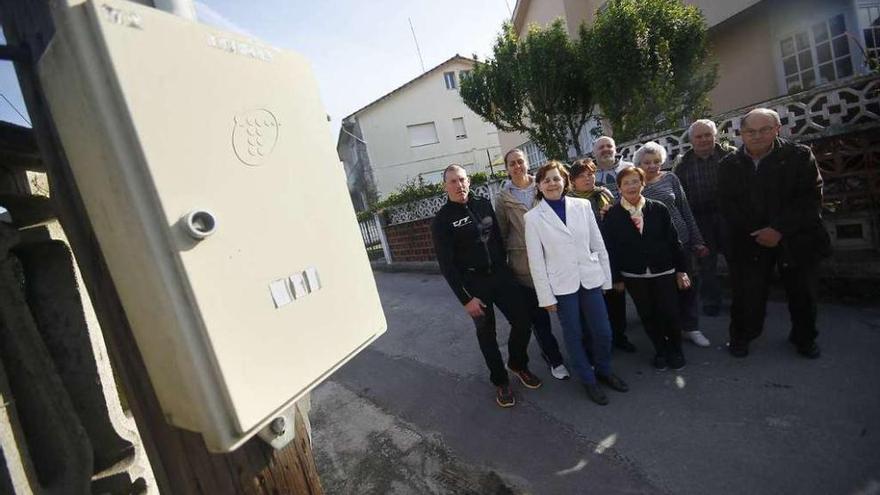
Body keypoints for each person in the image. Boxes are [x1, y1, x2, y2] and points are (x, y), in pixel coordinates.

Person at [718, 108, 831, 359]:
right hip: (750, 240)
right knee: (747, 296)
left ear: (777, 129)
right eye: (750, 131)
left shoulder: (798, 156)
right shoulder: (730, 164)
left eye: (764, 130)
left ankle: (804, 339)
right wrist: (757, 232)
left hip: (796, 237)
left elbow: (810, 199)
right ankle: (741, 337)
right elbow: (727, 205)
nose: (756, 136)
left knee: (803, 293)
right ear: (741, 134)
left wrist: (778, 229)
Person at [431, 164, 543, 408]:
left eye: (461, 180)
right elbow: (447, 266)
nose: (458, 185)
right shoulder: (442, 220)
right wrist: (465, 299)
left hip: (501, 276)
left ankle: (517, 363)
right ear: (445, 186)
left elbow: (497, 238)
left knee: (523, 321)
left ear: (468, 181)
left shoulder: (483, 204)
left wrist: (507, 270)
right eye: (452, 181)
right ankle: (500, 381)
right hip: (474, 284)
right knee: (487, 334)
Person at [524, 161, 628, 406]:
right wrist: (546, 297)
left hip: (590, 279)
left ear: (565, 182)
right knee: (574, 334)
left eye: (556, 178)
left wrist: (606, 279)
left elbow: (598, 244)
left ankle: (604, 369)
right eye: (546, 180)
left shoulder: (582, 206)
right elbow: (536, 262)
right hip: (562, 286)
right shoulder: (533, 218)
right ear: (539, 185)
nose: (552, 183)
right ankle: (588, 379)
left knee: (603, 330)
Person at [602, 166, 692, 370]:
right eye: (626, 183)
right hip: (634, 274)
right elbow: (610, 248)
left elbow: (673, 241)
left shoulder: (658, 208)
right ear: (619, 188)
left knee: (670, 312)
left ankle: (676, 350)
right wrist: (615, 278)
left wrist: (681, 270)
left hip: (664, 271)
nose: (631, 186)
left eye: (635, 181)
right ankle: (660, 350)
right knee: (648, 314)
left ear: (642, 184)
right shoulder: (613, 215)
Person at [495, 149, 570, 380]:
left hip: (554, 260)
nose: (516, 166)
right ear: (507, 169)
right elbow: (502, 234)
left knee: (568, 312)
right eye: (511, 164)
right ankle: (554, 359)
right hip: (525, 267)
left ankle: (581, 351)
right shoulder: (503, 198)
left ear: (527, 163)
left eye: (520, 161)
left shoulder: (543, 185)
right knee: (539, 319)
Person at [636, 141, 711, 348]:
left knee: (687, 285)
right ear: (638, 163)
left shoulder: (671, 178)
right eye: (647, 162)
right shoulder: (634, 184)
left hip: (682, 241)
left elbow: (685, 209)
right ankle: (672, 329)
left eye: (656, 161)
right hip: (656, 247)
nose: (652, 166)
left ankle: (692, 328)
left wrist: (697, 240)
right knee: (664, 292)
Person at [569, 158, 637, 353]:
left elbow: (623, 220)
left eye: (590, 174)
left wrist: (611, 213)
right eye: (581, 176)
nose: (587, 178)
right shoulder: (570, 202)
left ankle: (619, 336)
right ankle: (598, 343)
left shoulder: (604, 194)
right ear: (572, 180)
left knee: (616, 296)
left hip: (611, 252)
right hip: (587, 258)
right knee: (594, 304)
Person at [673, 119, 735, 316]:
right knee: (706, 264)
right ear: (691, 139)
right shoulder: (683, 164)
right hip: (700, 220)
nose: (704, 139)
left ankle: (743, 299)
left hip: (729, 217)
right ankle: (711, 301)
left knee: (737, 260)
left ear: (715, 135)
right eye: (699, 136)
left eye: (708, 134)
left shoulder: (730, 156)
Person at [590, 137, 636, 352]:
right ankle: (616, 334)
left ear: (615, 149)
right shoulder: (590, 175)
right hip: (602, 240)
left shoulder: (629, 168)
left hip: (632, 234)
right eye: (601, 147)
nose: (606, 150)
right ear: (594, 152)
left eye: (609, 146)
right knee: (613, 289)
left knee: (638, 284)